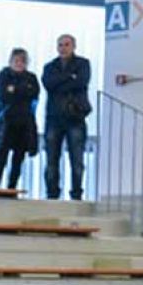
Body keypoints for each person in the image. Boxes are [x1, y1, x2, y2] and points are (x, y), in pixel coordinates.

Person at [42, 33, 91, 201]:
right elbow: (49, 84)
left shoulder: (83, 64)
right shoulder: (49, 67)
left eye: (67, 44)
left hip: (75, 118)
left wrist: (61, 82)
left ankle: (76, 194)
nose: (63, 48)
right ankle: (52, 194)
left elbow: (81, 82)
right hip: (54, 118)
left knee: (77, 160)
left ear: (73, 46)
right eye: (60, 45)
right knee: (51, 160)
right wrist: (70, 76)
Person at [0, 48, 40, 191]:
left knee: (18, 158)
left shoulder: (31, 78)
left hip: (24, 124)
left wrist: (15, 90)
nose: (19, 64)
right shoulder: (4, 76)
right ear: (10, 61)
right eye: (16, 60)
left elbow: (33, 95)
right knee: (1, 157)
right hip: (6, 123)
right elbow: (4, 95)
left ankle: (11, 188)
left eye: (23, 61)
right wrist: (20, 92)